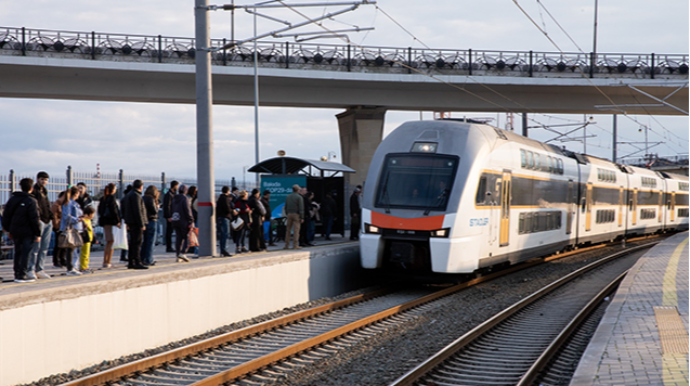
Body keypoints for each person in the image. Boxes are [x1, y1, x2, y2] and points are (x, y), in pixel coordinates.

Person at [1, 178, 41, 283]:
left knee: (18, 252)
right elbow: (35, 218)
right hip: (28, 231)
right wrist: (38, 233)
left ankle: (17, 274)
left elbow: (6, 215)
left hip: (15, 230)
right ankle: (22, 275)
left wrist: (8, 229)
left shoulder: (13, 199)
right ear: (31, 188)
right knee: (26, 253)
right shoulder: (31, 201)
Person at [28, 171, 53, 279]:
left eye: (46, 180)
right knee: (35, 247)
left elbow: (47, 205)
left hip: (47, 221)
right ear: (37, 179)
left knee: (44, 247)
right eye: (42, 179)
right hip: (40, 221)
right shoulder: (34, 191)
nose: (44, 181)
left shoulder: (45, 191)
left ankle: (40, 269)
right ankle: (31, 269)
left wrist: (51, 217)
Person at [121, 180, 148, 270]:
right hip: (136, 223)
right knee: (137, 243)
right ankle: (137, 261)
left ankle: (131, 262)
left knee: (132, 243)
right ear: (141, 187)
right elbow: (138, 211)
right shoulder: (136, 196)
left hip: (131, 222)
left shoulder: (129, 195)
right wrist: (141, 224)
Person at [61, 186, 84, 275]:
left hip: (75, 228)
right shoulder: (69, 203)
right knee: (71, 249)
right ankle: (71, 268)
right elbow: (67, 217)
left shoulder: (73, 203)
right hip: (71, 228)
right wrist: (77, 219)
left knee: (74, 248)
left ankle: (73, 267)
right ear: (76, 194)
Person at [97, 183, 121, 268]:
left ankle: (106, 261)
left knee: (108, 241)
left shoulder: (103, 198)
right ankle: (107, 261)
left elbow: (100, 210)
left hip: (105, 222)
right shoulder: (111, 198)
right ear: (113, 190)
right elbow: (114, 210)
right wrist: (118, 221)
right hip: (111, 222)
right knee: (111, 242)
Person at [171, 184, 193, 262]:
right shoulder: (185, 198)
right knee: (187, 237)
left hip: (175, 219)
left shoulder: (174, 198)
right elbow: (187, 210)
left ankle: (178, 255)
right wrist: (191, 220)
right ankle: (183, 253)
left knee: (178, 238)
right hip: (184, 221)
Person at [141, 185, 160, 266]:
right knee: (150, 241)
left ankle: (142, 258)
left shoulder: (143, 198)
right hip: (151, 220)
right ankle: (149, 259)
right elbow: (154, 211)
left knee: (144, 242)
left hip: (144, 221)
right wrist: (157, 207)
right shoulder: (151, 199)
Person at [216, 186, 235, 257]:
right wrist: (232, 211)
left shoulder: (220, 198)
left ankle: (222, 250)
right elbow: (227, 208)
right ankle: (224, 250)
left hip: (220, 218)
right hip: (224, 218)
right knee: (225, 234)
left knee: (222, 234)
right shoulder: (225, 198)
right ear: (228, 191)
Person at [283, 184, 304, 249]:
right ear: (298, 190)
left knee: (288, 230)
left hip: (289, 214)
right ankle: (295, 245)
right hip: (296, 215)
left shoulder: (288, 196)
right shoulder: (299, 197)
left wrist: (287, 213)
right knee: (296, 231)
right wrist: (302, 217)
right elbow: (301, 208)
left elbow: (286, 206)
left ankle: (286, 245)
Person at [51, 191, 67, 268]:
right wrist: (57, 226)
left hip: (63, 226)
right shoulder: (56, 205)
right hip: (58, 227)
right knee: (58, 244)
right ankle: (56, 261)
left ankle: (62, 259)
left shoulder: (64, 205)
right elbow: (54, 217)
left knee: (64, 244)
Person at [163, 180, 179, 253]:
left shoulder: (173, 194)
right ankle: (168, 247)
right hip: (170, 216)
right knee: (169, 231)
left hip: (173, 215)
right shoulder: (169, 195)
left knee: (171, 231)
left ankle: (170, 246)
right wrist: (169, 216)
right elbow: (167, 206)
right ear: (175, 186)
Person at [79, 206, 95, 272]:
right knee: (84, 254)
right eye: (93, 214)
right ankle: (83, 267)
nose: (93, 216)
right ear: (90, 214)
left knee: (87, 254)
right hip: (85, 239)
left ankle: (86, 266)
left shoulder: (88, 220)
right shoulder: (85, 221)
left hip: (89, 239)